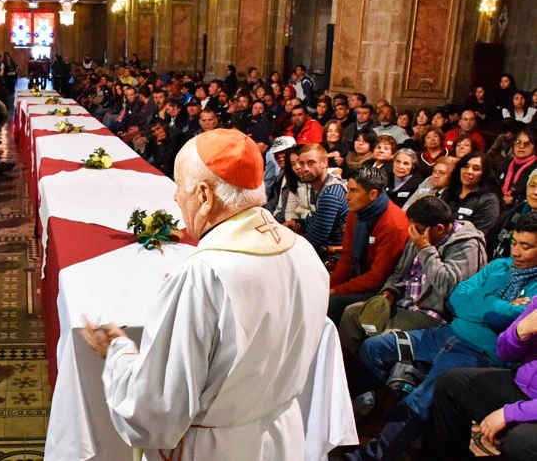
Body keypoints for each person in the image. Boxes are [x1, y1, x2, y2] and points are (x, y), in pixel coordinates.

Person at [80, 129, 327, 460]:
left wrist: (118, 352)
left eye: (179, 186)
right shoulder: (303, 251)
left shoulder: (206, 274)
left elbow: (156, 409)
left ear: (204, 195)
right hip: (282, 438)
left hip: (216, 448)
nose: (176, 197)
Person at [347, 213, 537, 461]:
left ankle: (372, 456)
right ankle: (378, 416)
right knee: (375, 347)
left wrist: (484, 301)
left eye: (526, 246)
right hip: (444, 334)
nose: (517, 252)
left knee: (420, 399)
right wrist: (498, 306)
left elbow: (507, 320)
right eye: (514, 243)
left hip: (479, 352)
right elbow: (457, 297)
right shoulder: (498, 265)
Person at [337, 196, 487, 362]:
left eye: (419, 229)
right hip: (403, 303)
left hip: (433, 314)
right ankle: (349, 374)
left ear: (439, 228)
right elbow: (400, 271)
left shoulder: (467, 245)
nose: (413, 234)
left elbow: (449, 289)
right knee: (351, 315)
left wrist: (425, 248)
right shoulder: (418, 233)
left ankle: (375, 381)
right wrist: (390, 291)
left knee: (382, 341)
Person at [430, 285, 537, 459]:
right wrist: (521, 331)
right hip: (522, 386)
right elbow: (504, 353)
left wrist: (509, 413)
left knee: (519, 444)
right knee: (451, 384)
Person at [328, 166, 410, 323]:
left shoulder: (394, 224)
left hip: (384, 288)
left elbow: (377, 277)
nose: (347, 197)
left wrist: (336, 291)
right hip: (361, 277)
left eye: (353, 191)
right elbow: (347, 257)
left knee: (332, 304)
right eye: (347, 189)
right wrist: (329, 286)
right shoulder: (357, 211)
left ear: (372, 194)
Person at [290, 144, 349, 256]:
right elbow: (317, 219)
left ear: (325, 163)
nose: (305, 168)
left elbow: (317, 237)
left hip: (334, 255)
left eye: (311, 163)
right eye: (302, 163)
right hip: (323, 249)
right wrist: (297, 222)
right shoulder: (316, 187)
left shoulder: (330, 194)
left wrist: (291, 247)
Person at [441, 151, 501, 232]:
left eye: (476, 169)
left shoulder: (489, 200)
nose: (469, 171)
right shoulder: (449, 192)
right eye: (466, 166)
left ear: (485, 173)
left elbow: (478, 233)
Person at [500, 127, 537, 207]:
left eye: (527, 144)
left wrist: (512, 200)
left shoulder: (535, 169)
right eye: (518, 142)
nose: (521, 146)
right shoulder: (504, 164)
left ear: (534, 149)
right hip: (497, 202)